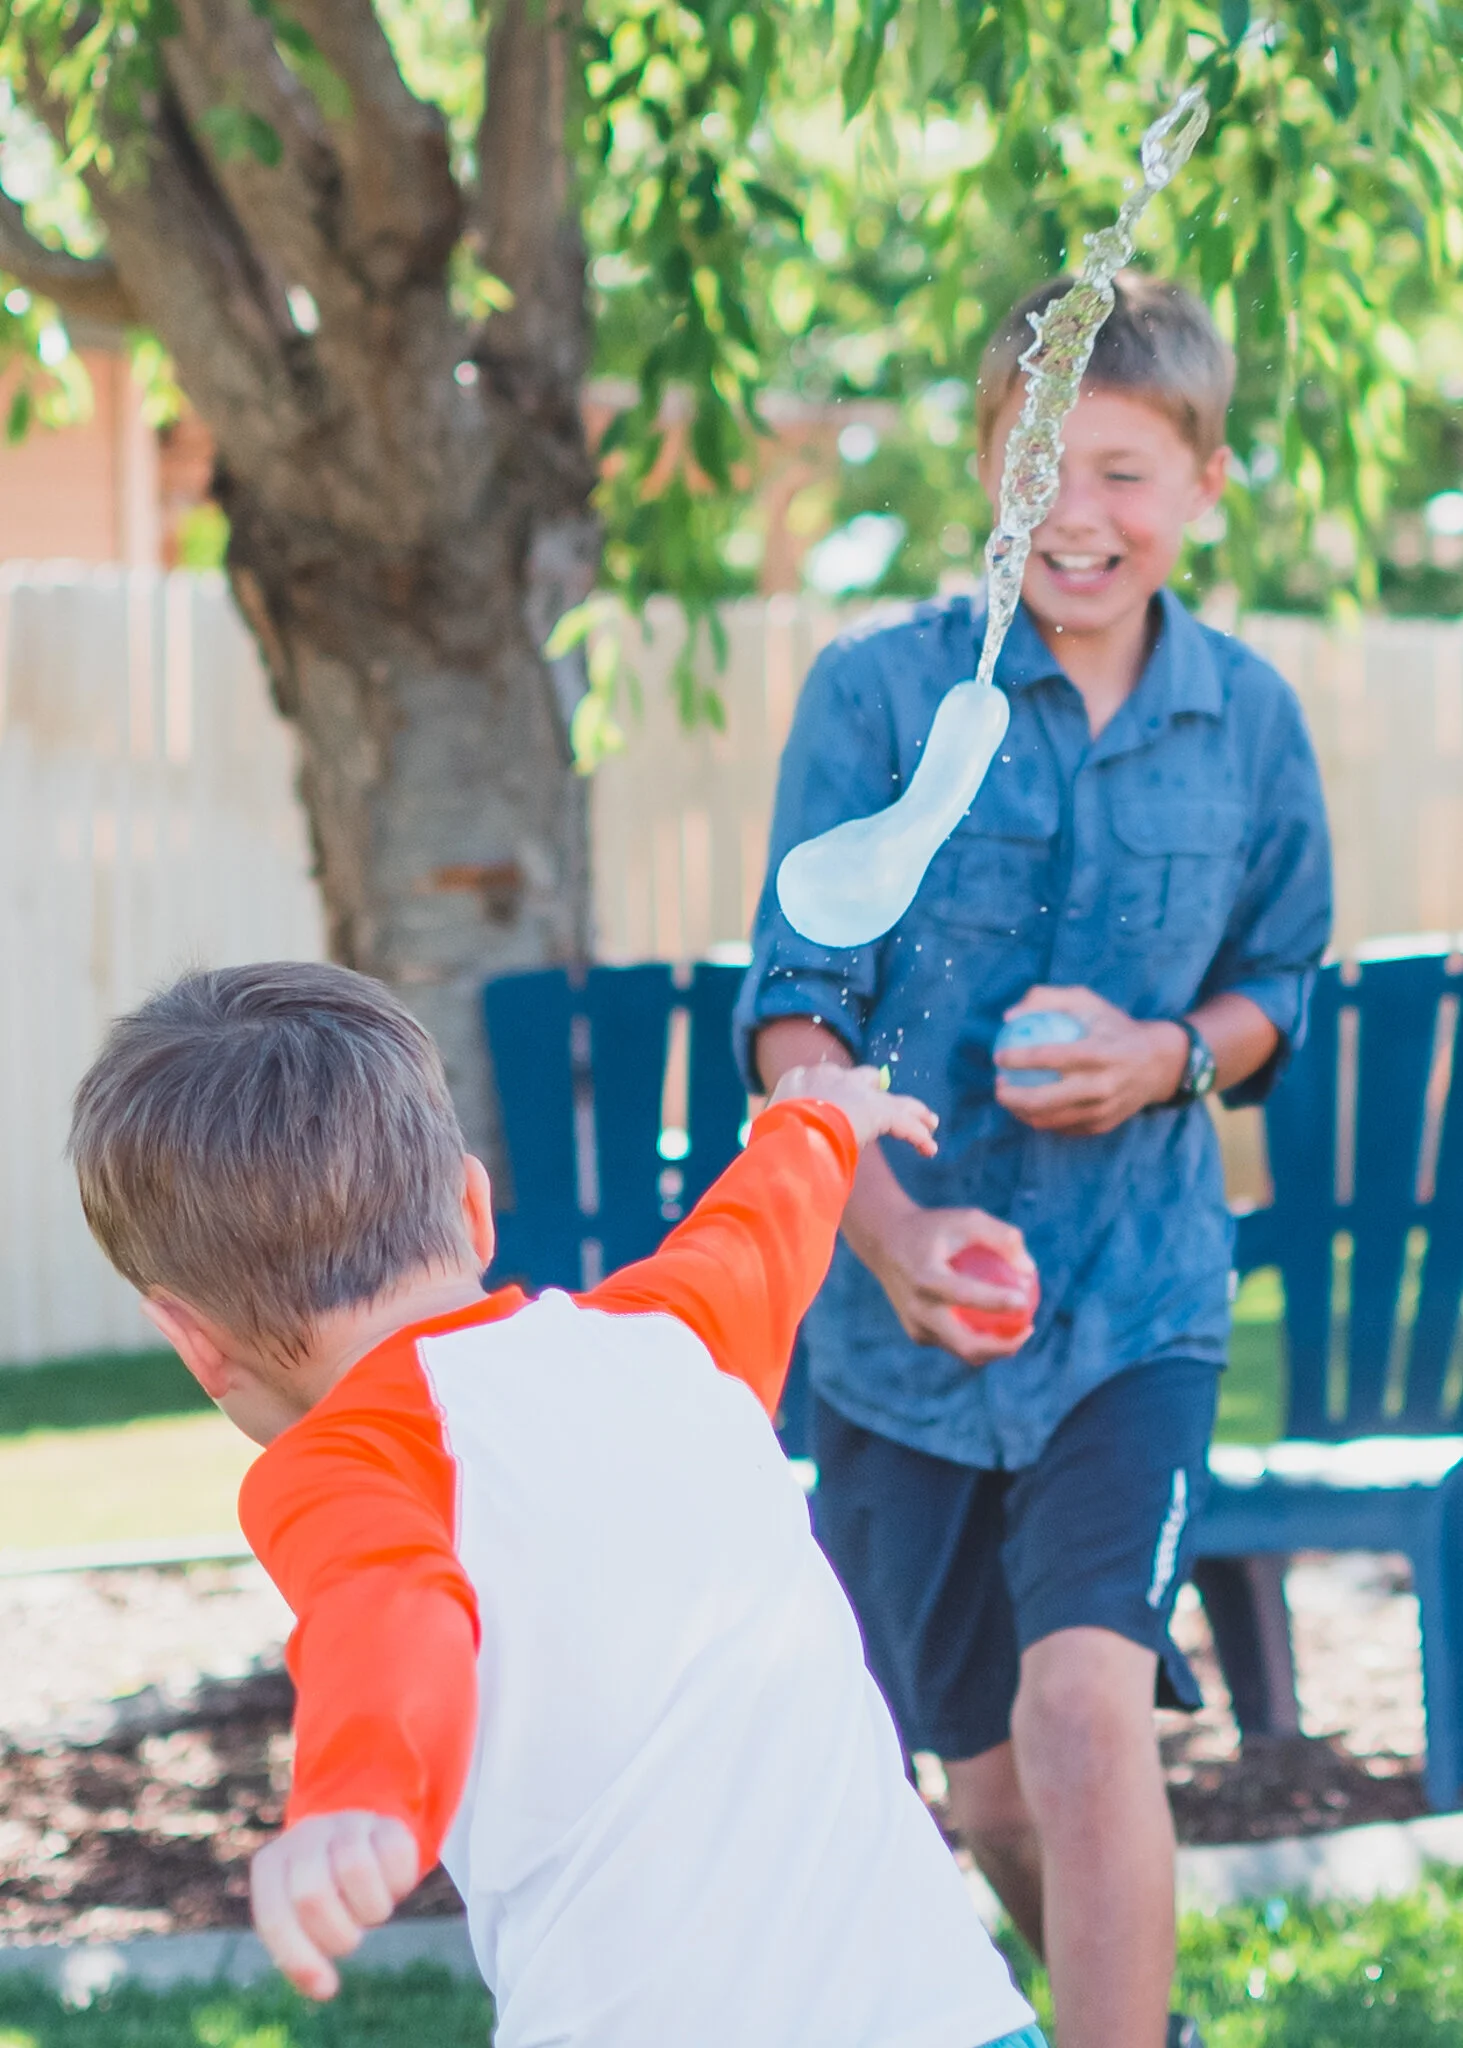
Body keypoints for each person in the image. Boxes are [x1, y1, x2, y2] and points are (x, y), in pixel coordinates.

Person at [68, 961, 1044, 2048]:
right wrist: (821, 1116)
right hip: (945, 2012)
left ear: (193, 1339)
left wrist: (356, 1795)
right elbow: (760, 1217)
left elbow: (392, 1613)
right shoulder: (674, 1335)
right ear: (475, 1206)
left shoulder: (346, 1459)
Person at [737, 271, 1333, 2048]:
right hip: (894, 1335)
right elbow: (794, 1006)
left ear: (1204, 484)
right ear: (982, 466)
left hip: (1130, 1305)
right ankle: (1107, 2005)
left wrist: (1169, 1055)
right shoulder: (874, 699)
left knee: (1086, 1710)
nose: (1074, 513)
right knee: (990, 1788)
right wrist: (893, 1230)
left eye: (1127, 472)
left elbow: (1281, 982)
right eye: (1036, 465)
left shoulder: (1246, 718)